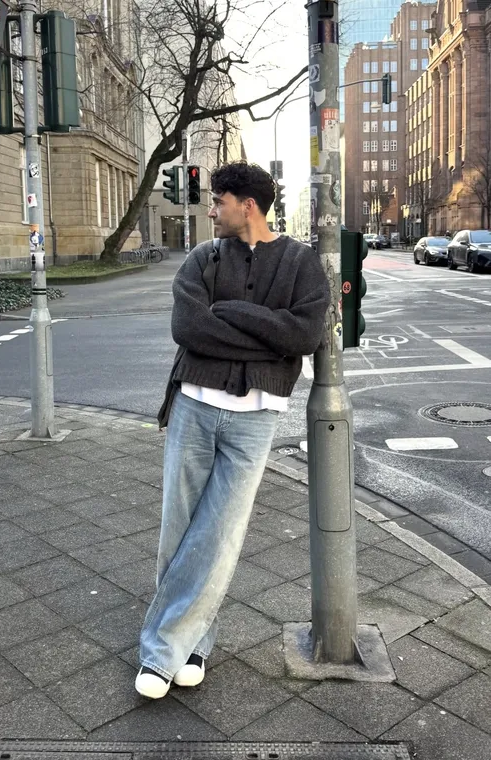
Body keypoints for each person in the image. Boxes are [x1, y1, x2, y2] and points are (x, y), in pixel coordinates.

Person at [136, 161, 330, 699]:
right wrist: (268, 340)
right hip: (193, 406)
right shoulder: (203, 257)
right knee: (179, 531)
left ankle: (161, 653)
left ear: (247, 205)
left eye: (218, 201)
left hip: (255, 419)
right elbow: (189, 328)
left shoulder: (300, 263)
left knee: (219, 536)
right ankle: (192, 645)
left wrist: (232, 312)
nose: (211, 209)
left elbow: (304, 335)